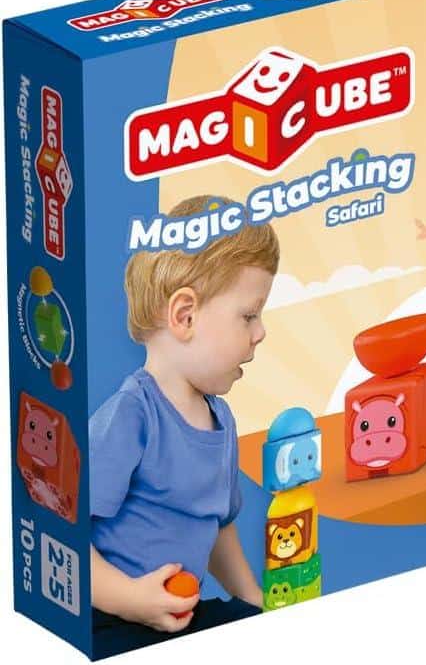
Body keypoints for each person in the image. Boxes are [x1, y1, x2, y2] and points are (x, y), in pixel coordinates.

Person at [89, 195, 279, 657]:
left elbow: (218, 527)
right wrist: (130, 599)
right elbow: (63, 526)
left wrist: (255, 602)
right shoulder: (133, 414)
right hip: (110, 617)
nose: (260, 332)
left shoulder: (222, 420)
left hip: (180, 616)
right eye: (249, 315)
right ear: (185, 316)